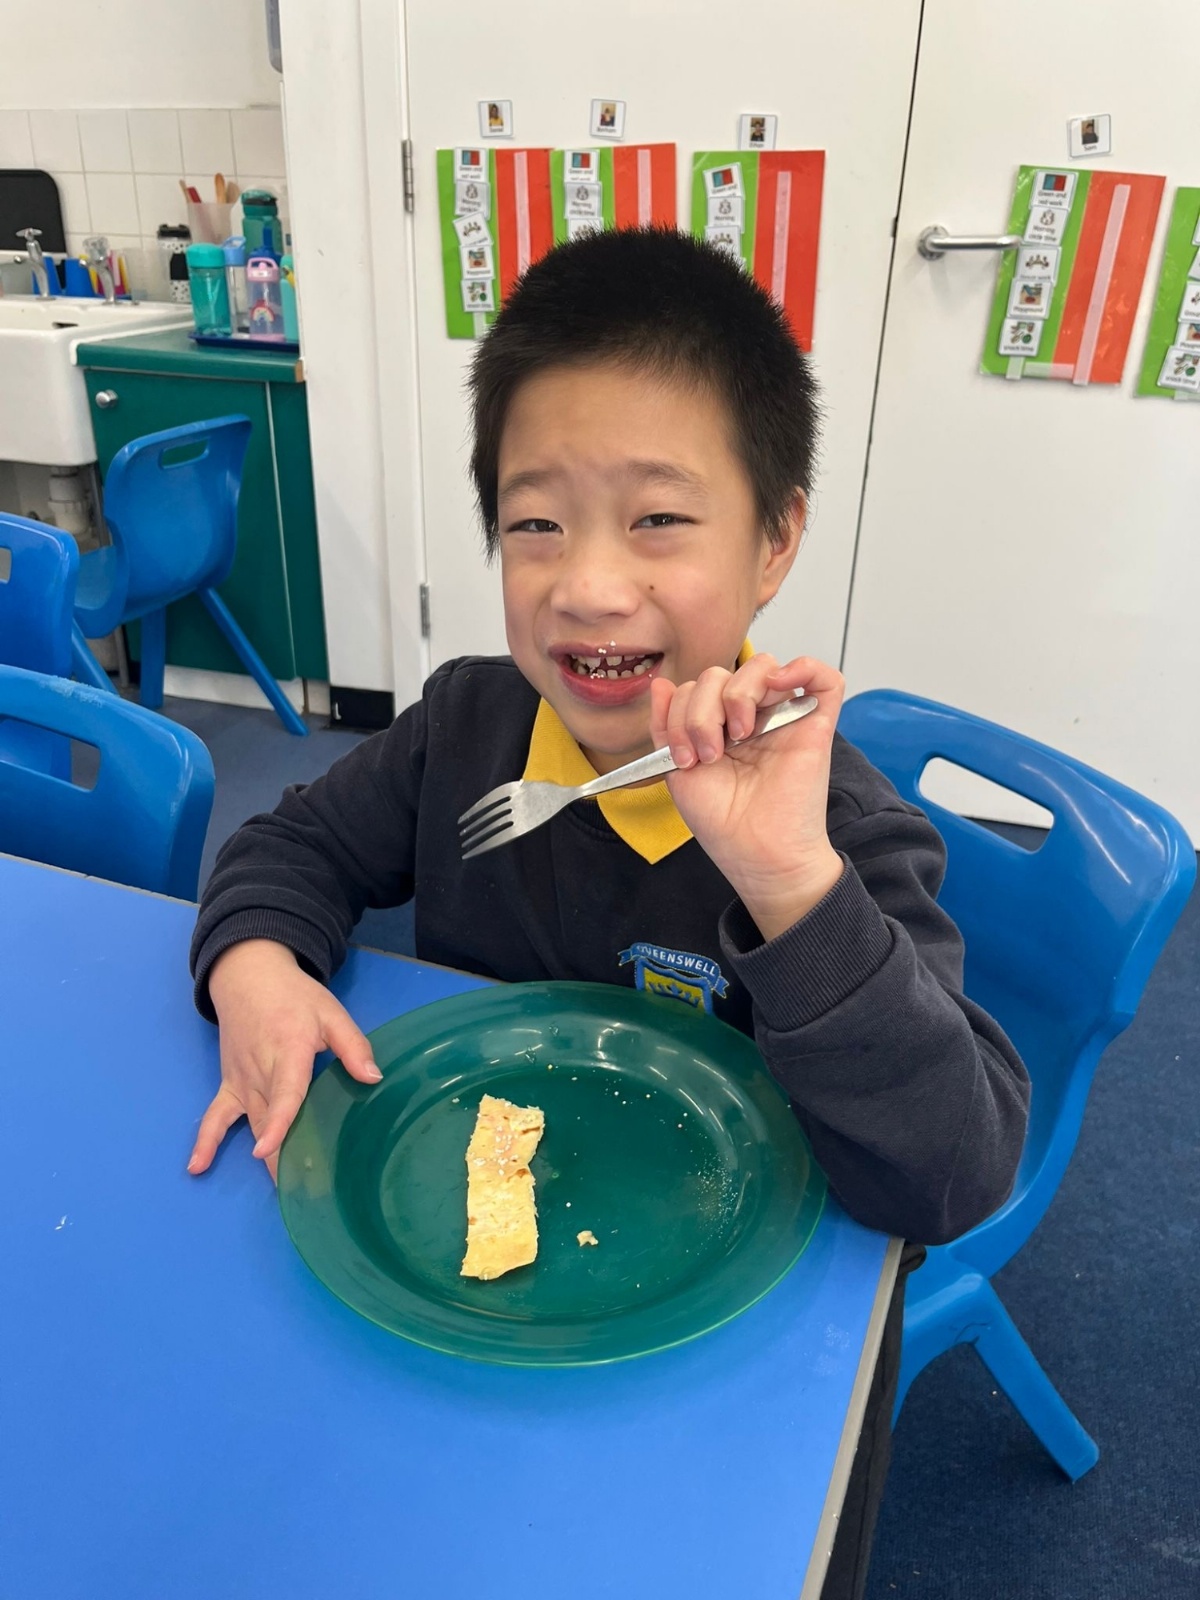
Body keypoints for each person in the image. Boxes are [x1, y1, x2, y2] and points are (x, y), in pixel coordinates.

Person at [187, 226, 1029, 1600]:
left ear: (775, 539)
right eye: (537, 523)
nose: (586, 584)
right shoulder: (468, 727)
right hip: (460, 1302)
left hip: (719, 1347)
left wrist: (788, 887)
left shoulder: (837, 835)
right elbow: (293, 845)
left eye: (658, 520)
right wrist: (257, 966)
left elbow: (952, 1171)